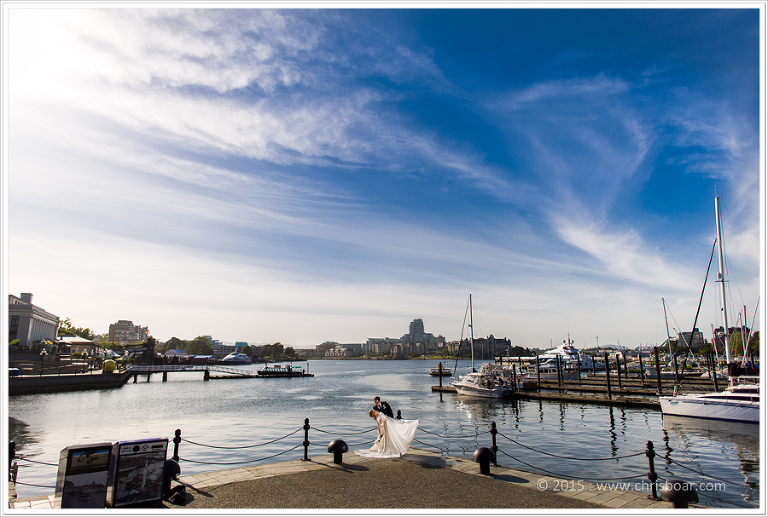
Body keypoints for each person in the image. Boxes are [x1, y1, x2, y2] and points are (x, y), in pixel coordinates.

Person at [354, 408, 419, 459]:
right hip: (387, 424)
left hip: (387, 425)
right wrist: (381, 432)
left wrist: (380, 433)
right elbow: (380, 424)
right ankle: (413, 422)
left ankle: (413, 423)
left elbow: (379, 425)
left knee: (398, 425)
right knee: (398, 424)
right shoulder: (379, 414)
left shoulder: (377, 417)